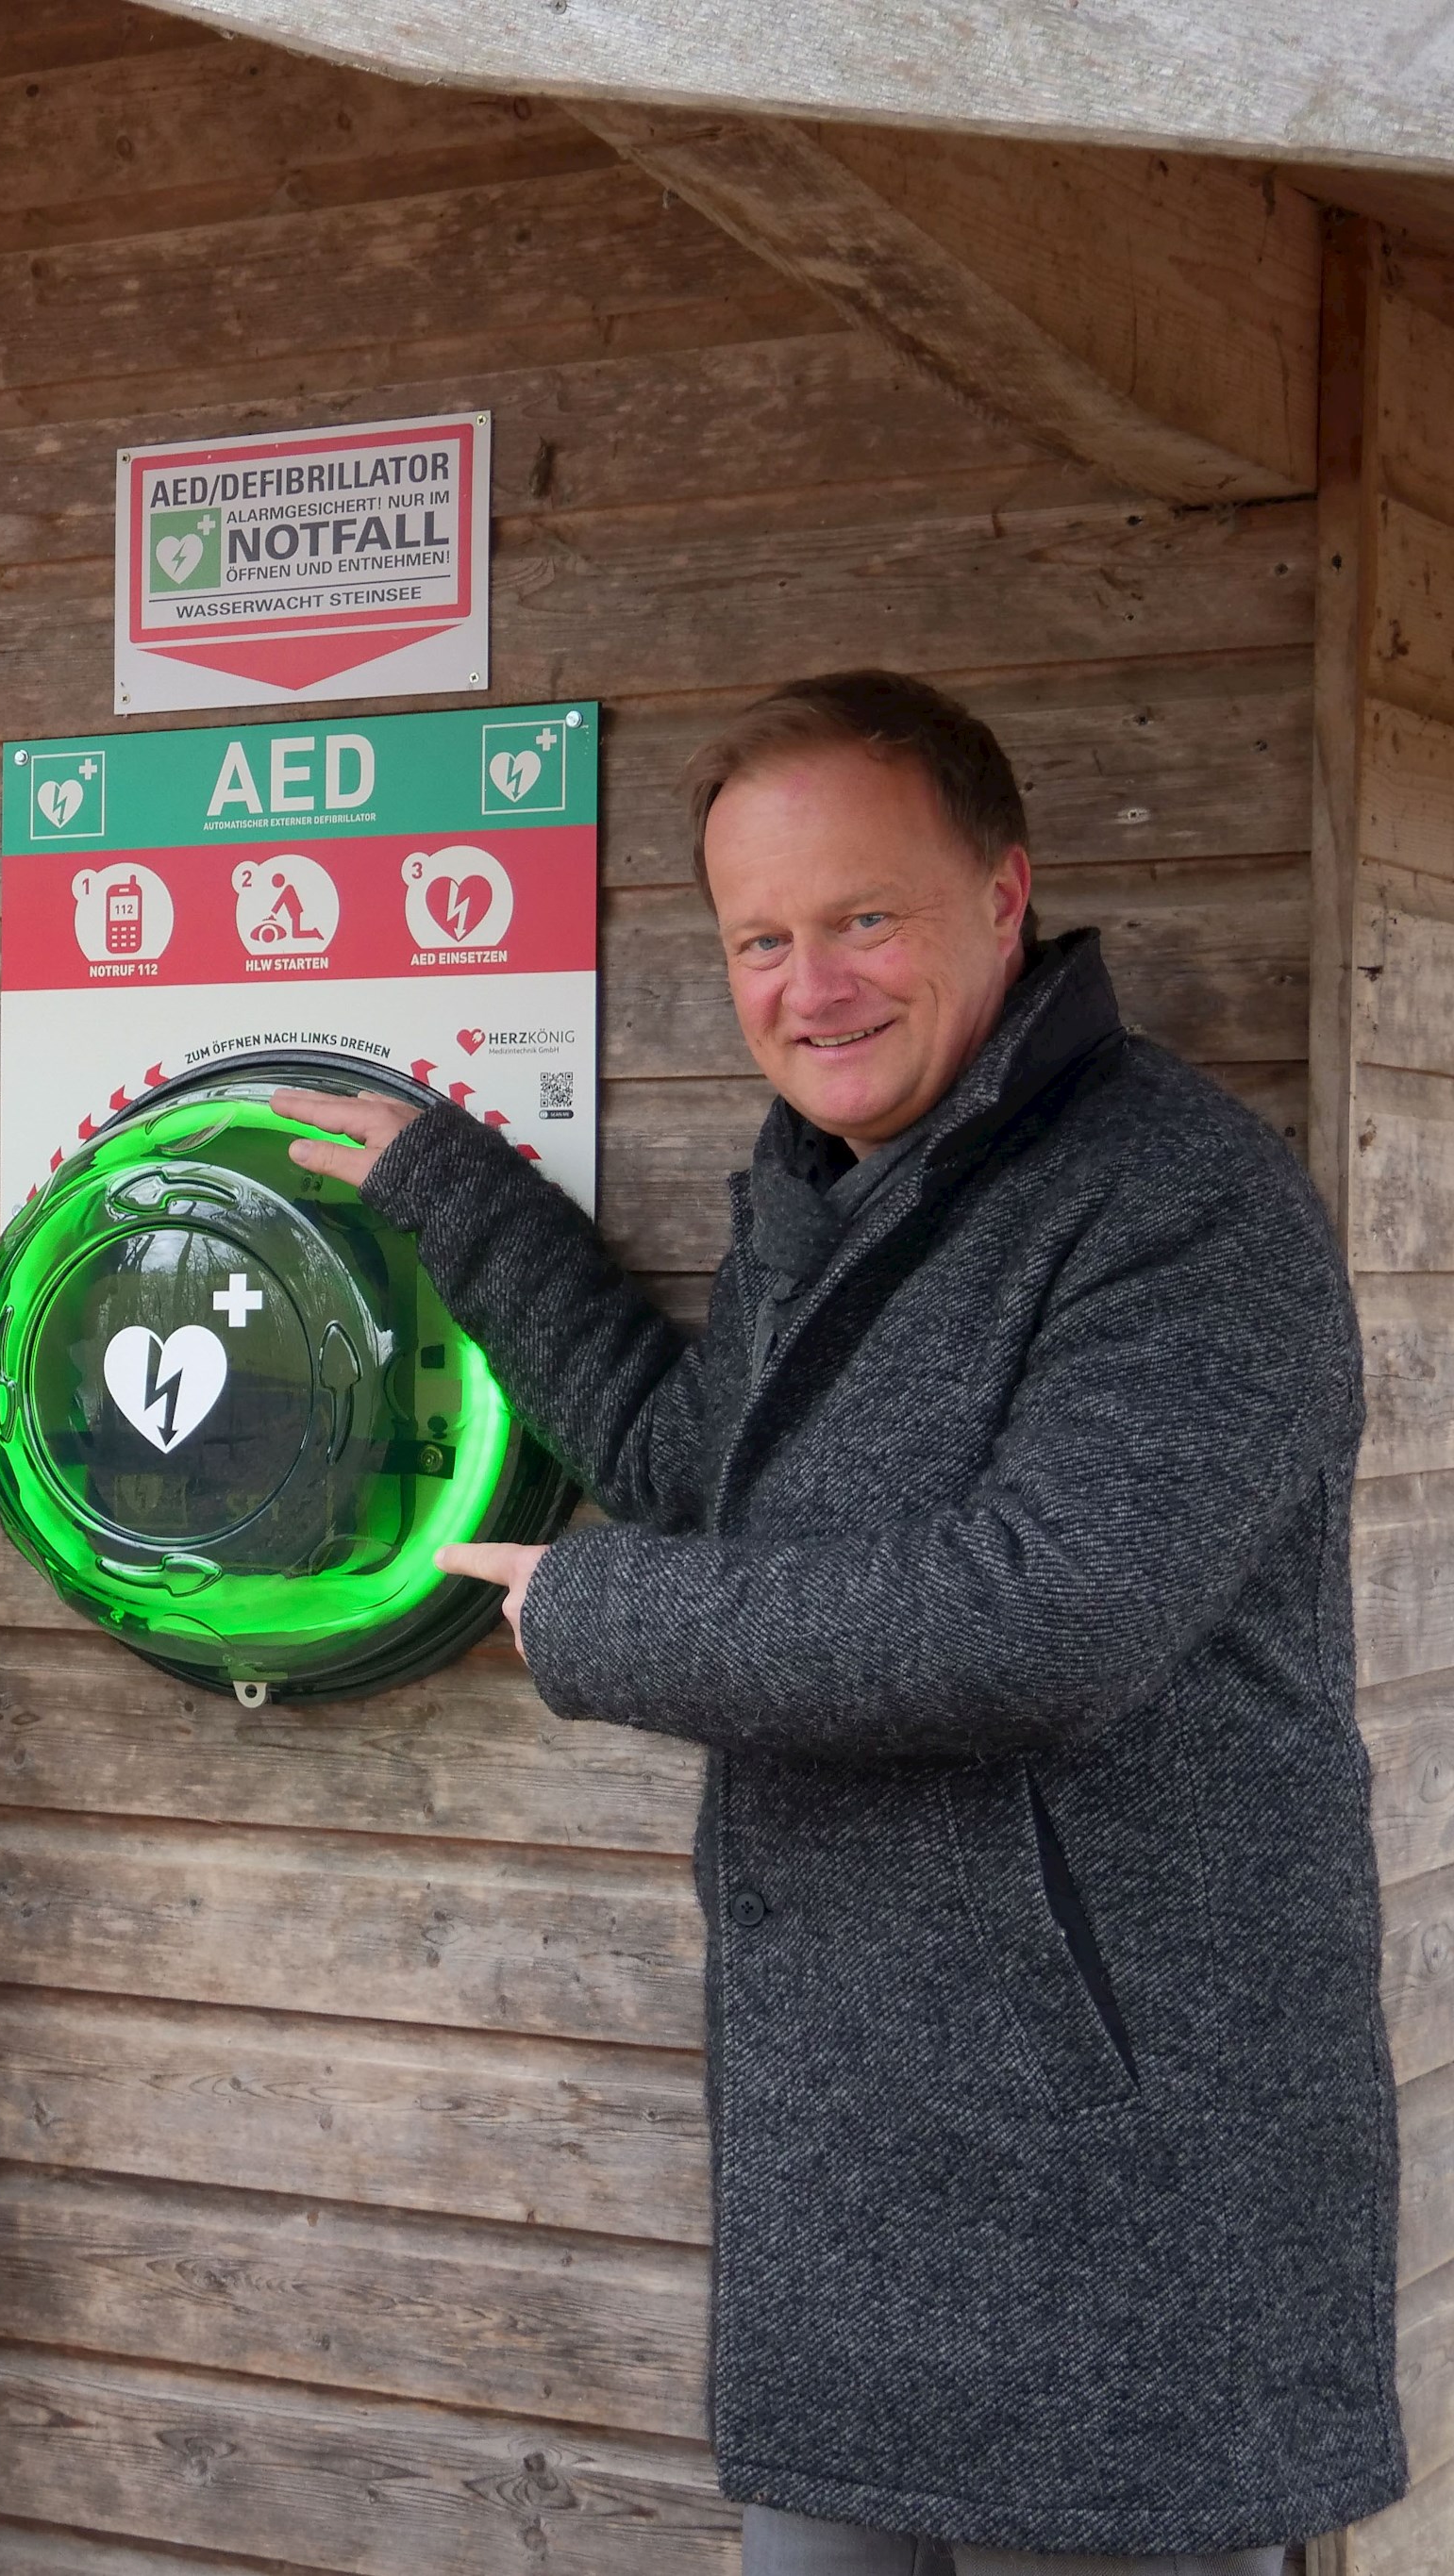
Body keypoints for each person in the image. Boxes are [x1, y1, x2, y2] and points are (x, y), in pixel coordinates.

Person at [280, 671, 1403, 2574]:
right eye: (759, 940)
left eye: (860, 918)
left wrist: (596, 1619)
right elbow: (686, 1461)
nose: (808, 987)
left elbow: (1041, 1621)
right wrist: (448, 1194)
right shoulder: (835, 1193)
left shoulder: (1174, 1202)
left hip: (1112, 2203)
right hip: (861, 2200)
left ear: (1000, 896)